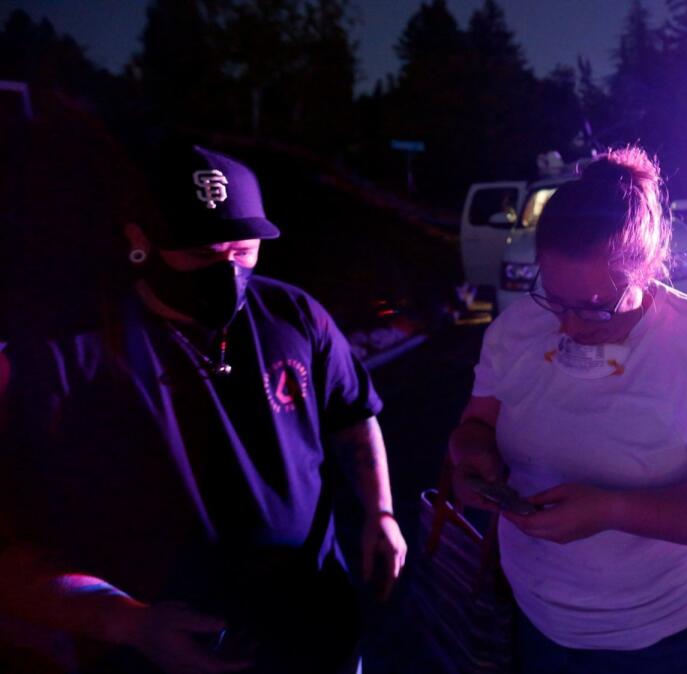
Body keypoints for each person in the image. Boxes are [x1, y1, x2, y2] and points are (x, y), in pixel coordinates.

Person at [1, 144, 406, 674]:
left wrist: (380, 510)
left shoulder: (295, 315)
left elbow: (351, 413)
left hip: (315, 625)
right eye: (199, 253)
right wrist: (128, 623)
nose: (226, 272)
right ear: (139, 240)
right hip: (156, 655)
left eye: (241, 250)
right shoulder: (61, 354)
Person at [449, 146, 687, 673]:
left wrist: (611, 510)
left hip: (666, 635)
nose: (570, 327)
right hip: (536, 616)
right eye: (554, 299)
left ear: (647, 272)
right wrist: (472, 460)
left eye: (597, 307)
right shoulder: (514, 331)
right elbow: (476, 423)